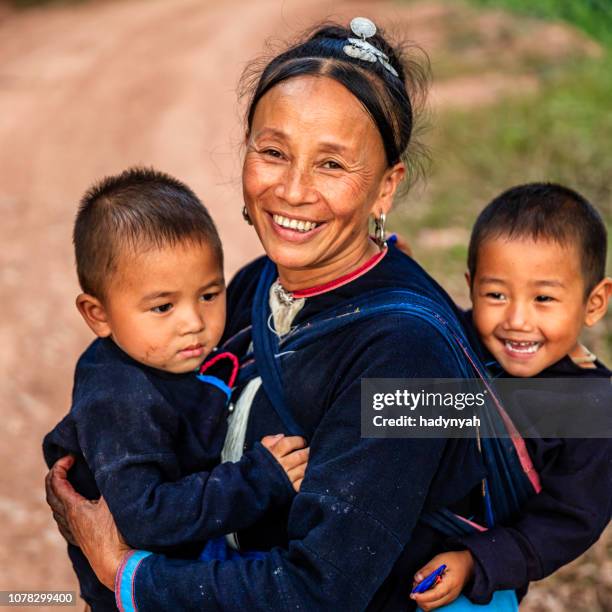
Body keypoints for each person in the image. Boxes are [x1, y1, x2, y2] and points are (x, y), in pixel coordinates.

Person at [45, 18, 491, 611]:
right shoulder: (258, 284)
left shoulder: (406, 357)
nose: (293, 189)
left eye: (332, 165)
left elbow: (318, 592)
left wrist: (124, 574)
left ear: (385, 189)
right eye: (275, 152)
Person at [43, 167, 308, 611]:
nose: (193, 323)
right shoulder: (117, 398)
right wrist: (259, 480)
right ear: (98, 314)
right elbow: (144, 518)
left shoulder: (165, 354)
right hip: (141, 588)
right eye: (163, 306)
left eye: (209, 295)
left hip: (189, 558)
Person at [411, 183, 612, 610]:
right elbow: (390, 412)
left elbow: (566, 522)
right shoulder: (456, 342)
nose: (517, 320)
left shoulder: (594, 408)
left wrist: (476, 562)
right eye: (496, 295)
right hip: (390, 538)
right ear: (471, 287)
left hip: (479, 575)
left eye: (544, 298)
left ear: (594, 303)